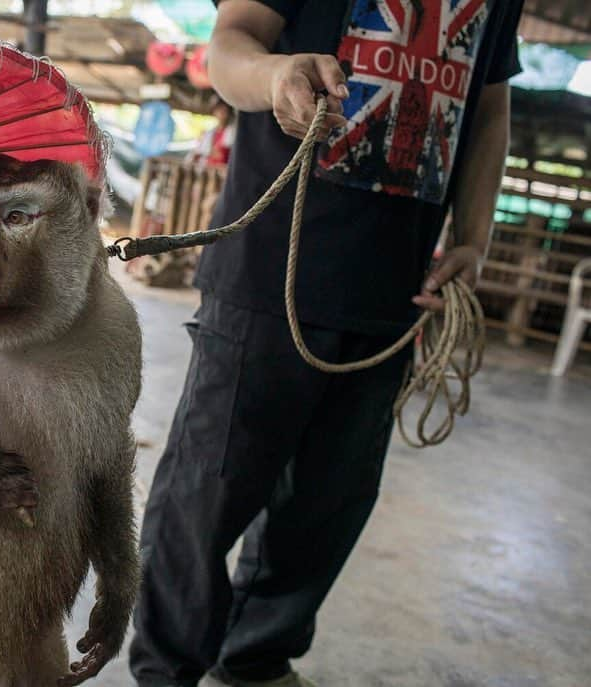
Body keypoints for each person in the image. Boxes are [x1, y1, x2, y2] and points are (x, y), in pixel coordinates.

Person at [130, 1, 523, 686]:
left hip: (395, 291)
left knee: (327, 505)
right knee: (205, 494)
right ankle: (166, 669)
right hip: (268, 271)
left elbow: (487, 107)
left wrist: (471, 238)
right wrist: (274, 72)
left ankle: (254, 659)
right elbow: (228, 47)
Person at [186, 99, 237, 168]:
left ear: (229, 113)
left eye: (225, 111)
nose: (222, 113)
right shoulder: (208, 133)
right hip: (208, 169)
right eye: (219, 110)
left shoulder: (233, 132)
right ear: (214, 112)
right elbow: (198, 152)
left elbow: (224, 154)